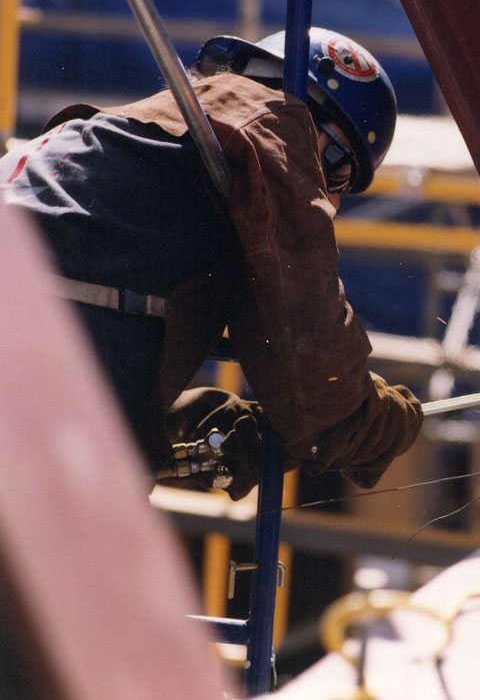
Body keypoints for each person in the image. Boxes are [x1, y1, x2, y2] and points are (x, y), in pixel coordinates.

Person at [0, 28, 424, 499]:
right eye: (340, 170)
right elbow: (309, 353)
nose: (334, 200)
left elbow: (91, 290)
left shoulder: (136, 139)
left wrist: (178, 427)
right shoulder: (268, 123)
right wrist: (365, 418)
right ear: (311, 126)